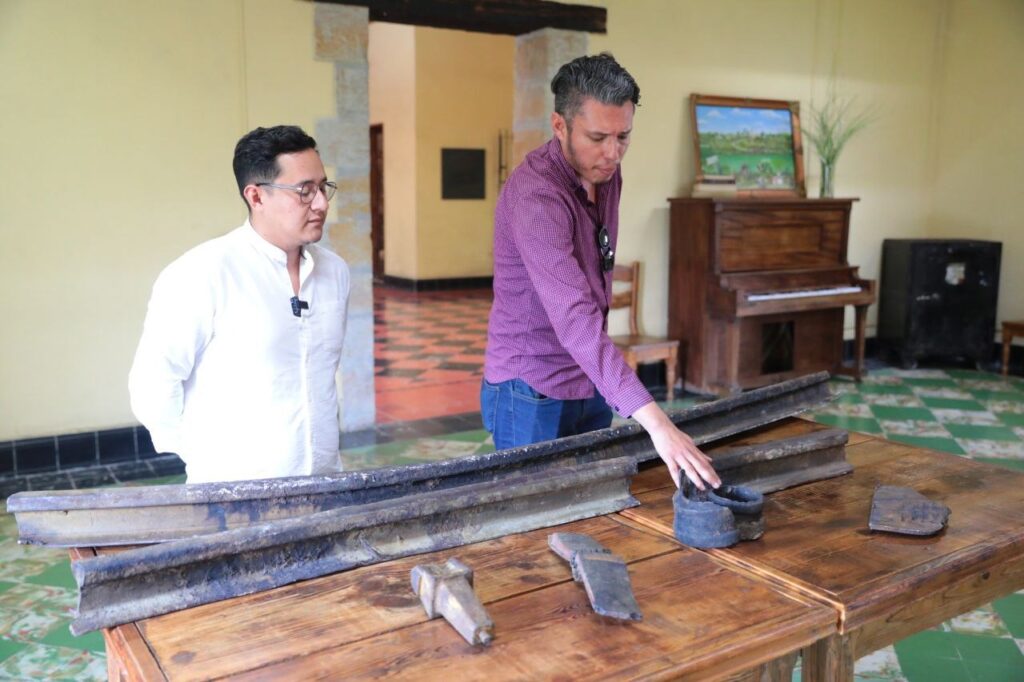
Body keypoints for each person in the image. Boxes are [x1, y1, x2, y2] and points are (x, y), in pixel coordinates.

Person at [481, 54, 720, 491]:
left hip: (587, 373)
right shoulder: (537, 195)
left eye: (623, 136)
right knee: (533, 521)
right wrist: (658, 424)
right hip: (530, 386)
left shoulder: (606, 172)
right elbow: (574, 319)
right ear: (559, 126)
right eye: (597, 137)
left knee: (591, 503)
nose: (612, 153)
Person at [129, 125, 350, 483]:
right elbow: (153, 384)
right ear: (256, 196)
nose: (321, 203)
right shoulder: (203, 273)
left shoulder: (334, 272)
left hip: (324, 483)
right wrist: (208, 458)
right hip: (233, 494)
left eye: (323, 188)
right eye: (304, 192)